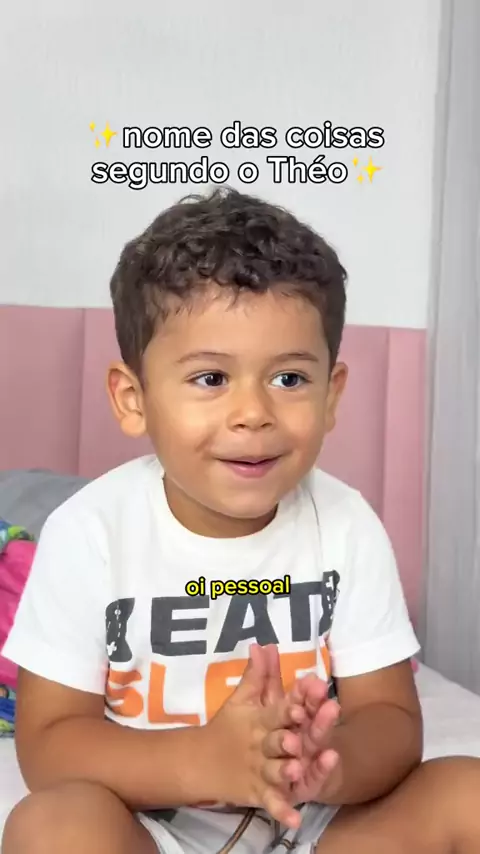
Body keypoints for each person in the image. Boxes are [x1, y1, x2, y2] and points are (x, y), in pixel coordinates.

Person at [2, 188, 480, 854]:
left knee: (467, 792)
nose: (253, 413)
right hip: (153, 823)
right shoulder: (91, 531)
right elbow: (49, 745)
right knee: (50, 827)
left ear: (332, 394)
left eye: (289, 380)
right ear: (133, 398)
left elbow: (392, 721)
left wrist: (329, 761)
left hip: (313, 822)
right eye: (211, 379)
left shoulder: (345, 523)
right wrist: (204, 761)